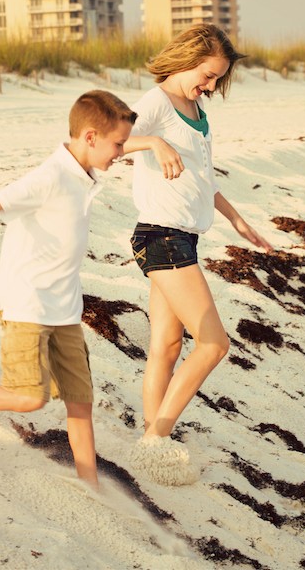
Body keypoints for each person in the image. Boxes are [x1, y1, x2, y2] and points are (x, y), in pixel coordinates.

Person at [0, 90, 138, 489]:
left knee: (80, 401)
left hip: (65, 308)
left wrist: (158, 143)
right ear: (91, 137)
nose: (122, 152)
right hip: (27, 303)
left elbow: (125, 140)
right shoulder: (52, 176)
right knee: (28, 396)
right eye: (118, 144)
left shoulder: (84, 172)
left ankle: (89, 484)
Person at [123, 24, 273, 486]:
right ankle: (156, 441)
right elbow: (104, 145)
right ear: (186, 60)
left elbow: (204, 180)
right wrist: (153, 141)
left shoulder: (196, 107)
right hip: (161, 237)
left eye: (216, 79)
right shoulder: (154, 104)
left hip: (182, 237)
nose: (209, 86)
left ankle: (151, 441)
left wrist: (236, 219)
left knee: (166, 348)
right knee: (214, 344)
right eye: (206, 75)